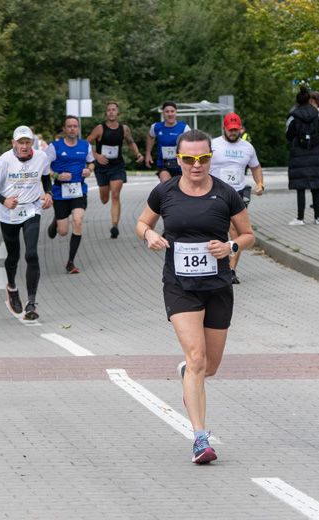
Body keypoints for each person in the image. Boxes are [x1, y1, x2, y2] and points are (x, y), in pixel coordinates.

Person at [136, 129, 255, 464]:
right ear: (179, 159)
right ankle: (200, 439)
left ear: (210, 157)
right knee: (197, 357)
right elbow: (141, 223)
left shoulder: (226, 193)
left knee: (209, 366)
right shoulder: (165, 192)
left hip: (217, 286)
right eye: (189, 159)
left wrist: (231, 246)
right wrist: (149, 235)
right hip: (180, 286)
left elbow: (248, 235)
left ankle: (188, 373)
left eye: (203, 158)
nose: (196, 164)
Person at [0, 125, 53, 321]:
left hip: (32, 209)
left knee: (31, 254)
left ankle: (31, 302)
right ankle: (12, 287)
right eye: (20, 142)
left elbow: (45, 178)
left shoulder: (41, 157)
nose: (24, 146)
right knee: (13, 255)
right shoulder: (4, 160)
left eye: (27, 142)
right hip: (9, 213)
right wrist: (4, 201)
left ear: (32, 142)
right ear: (13, 143)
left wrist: (48, 194)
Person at [210, 112, 264, 284]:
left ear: (240, 129)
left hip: (237, 193)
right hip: (215, 192)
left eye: (236, 129)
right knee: (215, 229)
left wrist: (260, 183)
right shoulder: (213, 145)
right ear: (224, 128)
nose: (233, 133)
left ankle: (231, 269)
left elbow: (255, 167)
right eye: (230, 129)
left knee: (236, 230)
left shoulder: (247, 147)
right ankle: (214, 266)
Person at [86, 101, 144, 238]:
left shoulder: (124, 129)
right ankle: (107, 191)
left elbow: (131, 142)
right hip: (102, 167)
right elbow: (86, 144)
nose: (111, 112)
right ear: (106, 113)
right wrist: (97, 156)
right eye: (109, 110)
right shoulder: (100, 129)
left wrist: (138, 154)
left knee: (115, 195)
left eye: (113, 110)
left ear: (118, 113)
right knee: (104, 199)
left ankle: (114, 226)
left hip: (117, 166)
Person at [45, 115, 95, 273]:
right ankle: (56, 221)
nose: (73, 129)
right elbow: (44, 167)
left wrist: (89, 170)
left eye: (75, 126)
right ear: (64, 129)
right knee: (63, 232)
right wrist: (57, 175)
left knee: (78, 221)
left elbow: (91, 163)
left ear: (78, 128)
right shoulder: (55, 147)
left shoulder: (85, 145)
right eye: (69, 126)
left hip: (79, 190)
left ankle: (71, 262)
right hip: (60, 192)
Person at [285, 86, 319, 225]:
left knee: (301, 187)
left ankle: (300, 218)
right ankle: (317, 217)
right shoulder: (317, 114)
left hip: (299, 154)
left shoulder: (293, 115)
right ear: (309, 100)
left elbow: (288, 135)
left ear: (298, 100)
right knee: (316, 186)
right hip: (316, 152)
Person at [144, 101, 191, 183]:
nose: (170, 114)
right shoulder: (156, 127)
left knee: (179, 187)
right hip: (163, 164)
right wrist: (148, 153)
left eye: (172, 111)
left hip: (180, 165)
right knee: (167, 184)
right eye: (167, 111)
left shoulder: (184, 128)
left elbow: (192, 144)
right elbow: (150, 137)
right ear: (163, 113)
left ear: (176, 112)